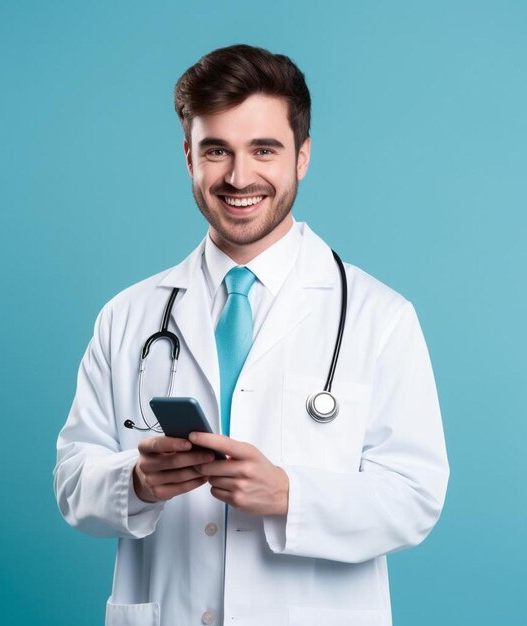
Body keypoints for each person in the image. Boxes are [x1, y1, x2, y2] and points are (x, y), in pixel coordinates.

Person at [54, 44, 449, 626]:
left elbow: (416, 498)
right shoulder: (128, 316)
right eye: (217, 150)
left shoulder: (378, 315)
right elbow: (72, 483)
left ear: (303, 156)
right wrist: (135, 481)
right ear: (188, 155)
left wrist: (290, 495)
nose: (240, 177)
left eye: (264, 149)